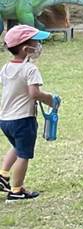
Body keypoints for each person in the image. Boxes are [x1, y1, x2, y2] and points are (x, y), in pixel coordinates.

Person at [0, 25, 57, 201]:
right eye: (36, 42)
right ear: (26, 48)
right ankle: (16, 191)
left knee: (17, 146)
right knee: (24, 154)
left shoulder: (6, 68)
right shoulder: (30, 69)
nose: (39, 45)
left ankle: (2, 174)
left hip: (5, 119)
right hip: (23, 119)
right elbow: (34, 93)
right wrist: (51, 99)